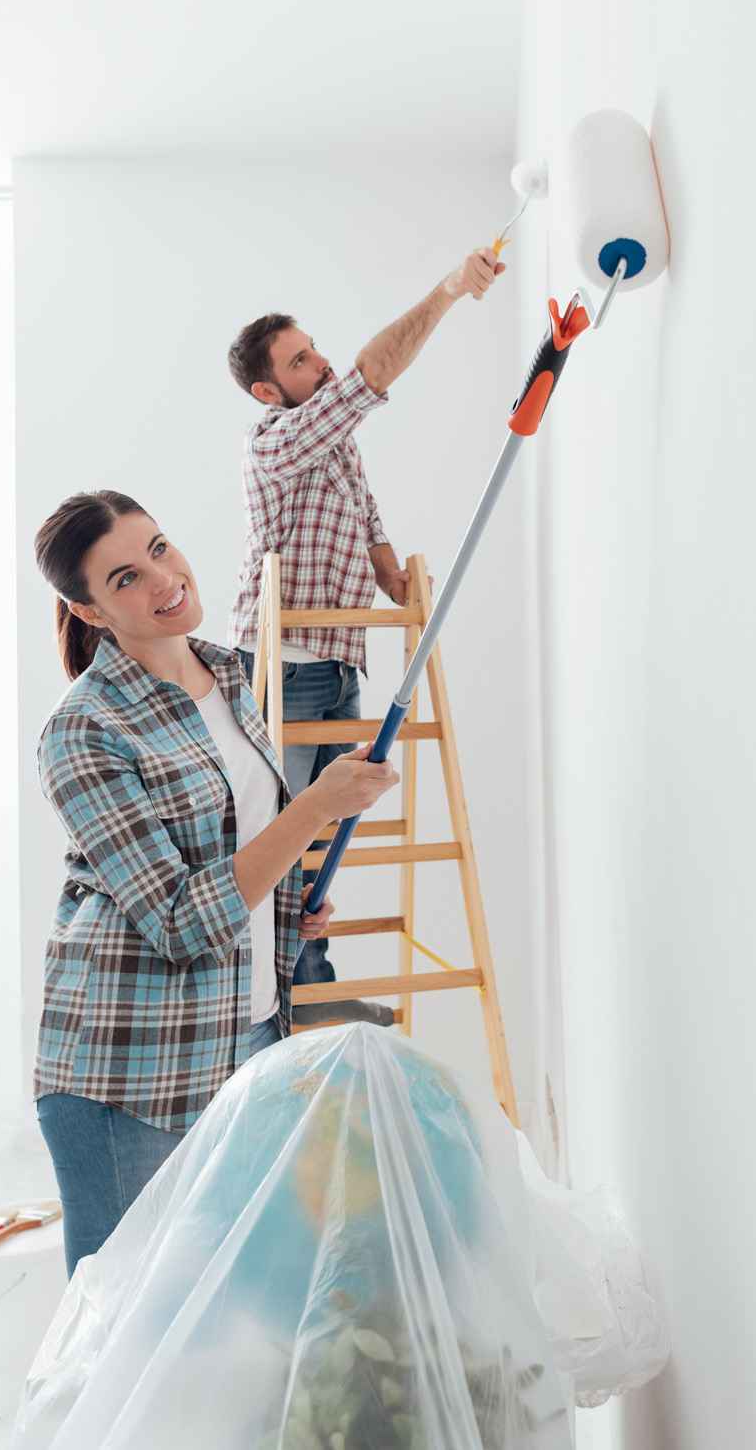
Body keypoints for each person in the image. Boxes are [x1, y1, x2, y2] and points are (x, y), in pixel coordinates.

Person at [30, 489, 399, 1274]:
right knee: (120, 1338)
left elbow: (236, 845)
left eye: (159, 549)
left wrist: (290, 908)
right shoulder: (82, 731)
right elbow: (177, 918)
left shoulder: (228, 674)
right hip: (133, 1076)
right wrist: (314, 810)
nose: (163, 580)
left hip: (253, 1035)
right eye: (125, 578)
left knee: (238, 1317)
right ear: (89, 611)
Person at [224, 245, 505, 1023]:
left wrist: (398, 580)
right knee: (286, 834)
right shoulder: (276, 440)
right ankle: (283, 1000)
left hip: (339, 659)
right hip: (284, 663)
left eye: (313, 351)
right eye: (300, 359)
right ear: (267, 388)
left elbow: (370, 522)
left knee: (317, 842)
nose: (318, 365)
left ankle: (310, 984)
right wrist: (448, 290)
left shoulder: (334, 445)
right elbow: (370, 376)